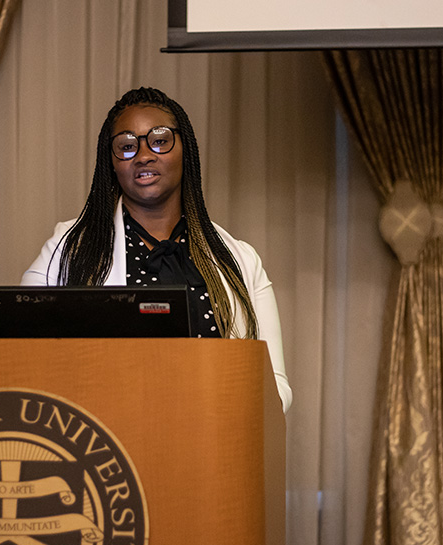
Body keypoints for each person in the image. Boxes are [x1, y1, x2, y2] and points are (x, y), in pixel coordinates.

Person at [21, 87, 291, 412]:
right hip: (107, 448)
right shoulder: (67, 249)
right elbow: (22, 359)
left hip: (214, 443)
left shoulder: (239, 259)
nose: (144, 155)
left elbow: (276, 387)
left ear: (185, 149)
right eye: (126, 146)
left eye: (160, 140)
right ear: (111, 162)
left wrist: (220, 404)